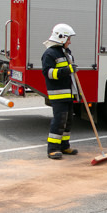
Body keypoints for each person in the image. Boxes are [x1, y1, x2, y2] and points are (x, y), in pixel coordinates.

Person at [41, 23, 78, 160]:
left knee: (68, 120)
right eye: (68, 39)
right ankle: (52, 149)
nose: (69, 41)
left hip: (68, 93)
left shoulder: (66, 52)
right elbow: (48, 73)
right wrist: (66, 70)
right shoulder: (50, 54)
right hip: (58, 94)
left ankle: (64, 145)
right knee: (59, 120)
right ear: (61, 38)